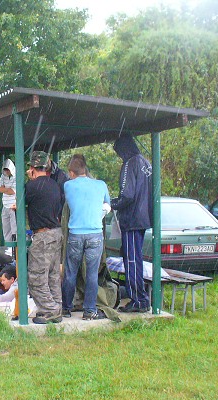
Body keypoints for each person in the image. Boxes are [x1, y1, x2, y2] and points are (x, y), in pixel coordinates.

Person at [61, 154, 111, 320]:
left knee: (70, 273)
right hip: (95, 234)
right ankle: (89, 310)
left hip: (75, 234)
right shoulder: (101, 184)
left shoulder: (68, 185)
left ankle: (66, 308)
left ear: (71, 172)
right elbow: (107, 206)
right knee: (91, 274)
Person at [110, 135, 153, 313]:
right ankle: (141, 298)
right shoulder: (146, 163)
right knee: (137, 259)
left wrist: (112, 204)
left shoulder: (130, 163)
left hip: (132, 219)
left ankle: (138, 300)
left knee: (131, 260)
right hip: (143, 218)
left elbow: (127, 195)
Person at [25, 150, 64, 324]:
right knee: (53, 276)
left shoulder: (32, 186)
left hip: (42, 236)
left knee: (36, 277)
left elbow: (20, 202)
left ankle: (49, 310)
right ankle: (57, 308)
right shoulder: (54, 185)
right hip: (56, 233)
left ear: (32, 168)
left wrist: (30, 181)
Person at [0, 158, 17, 243]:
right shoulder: (3, 176)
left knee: (15, 229)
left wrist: (4, 189)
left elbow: (12, 191)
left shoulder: (16, 176)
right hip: (5, 205)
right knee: (6, 229)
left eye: (7, 170)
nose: (6, 171)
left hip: (13, 206)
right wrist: (6, 190)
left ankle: (16, 247)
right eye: (5, 170)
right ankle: (8, 247)